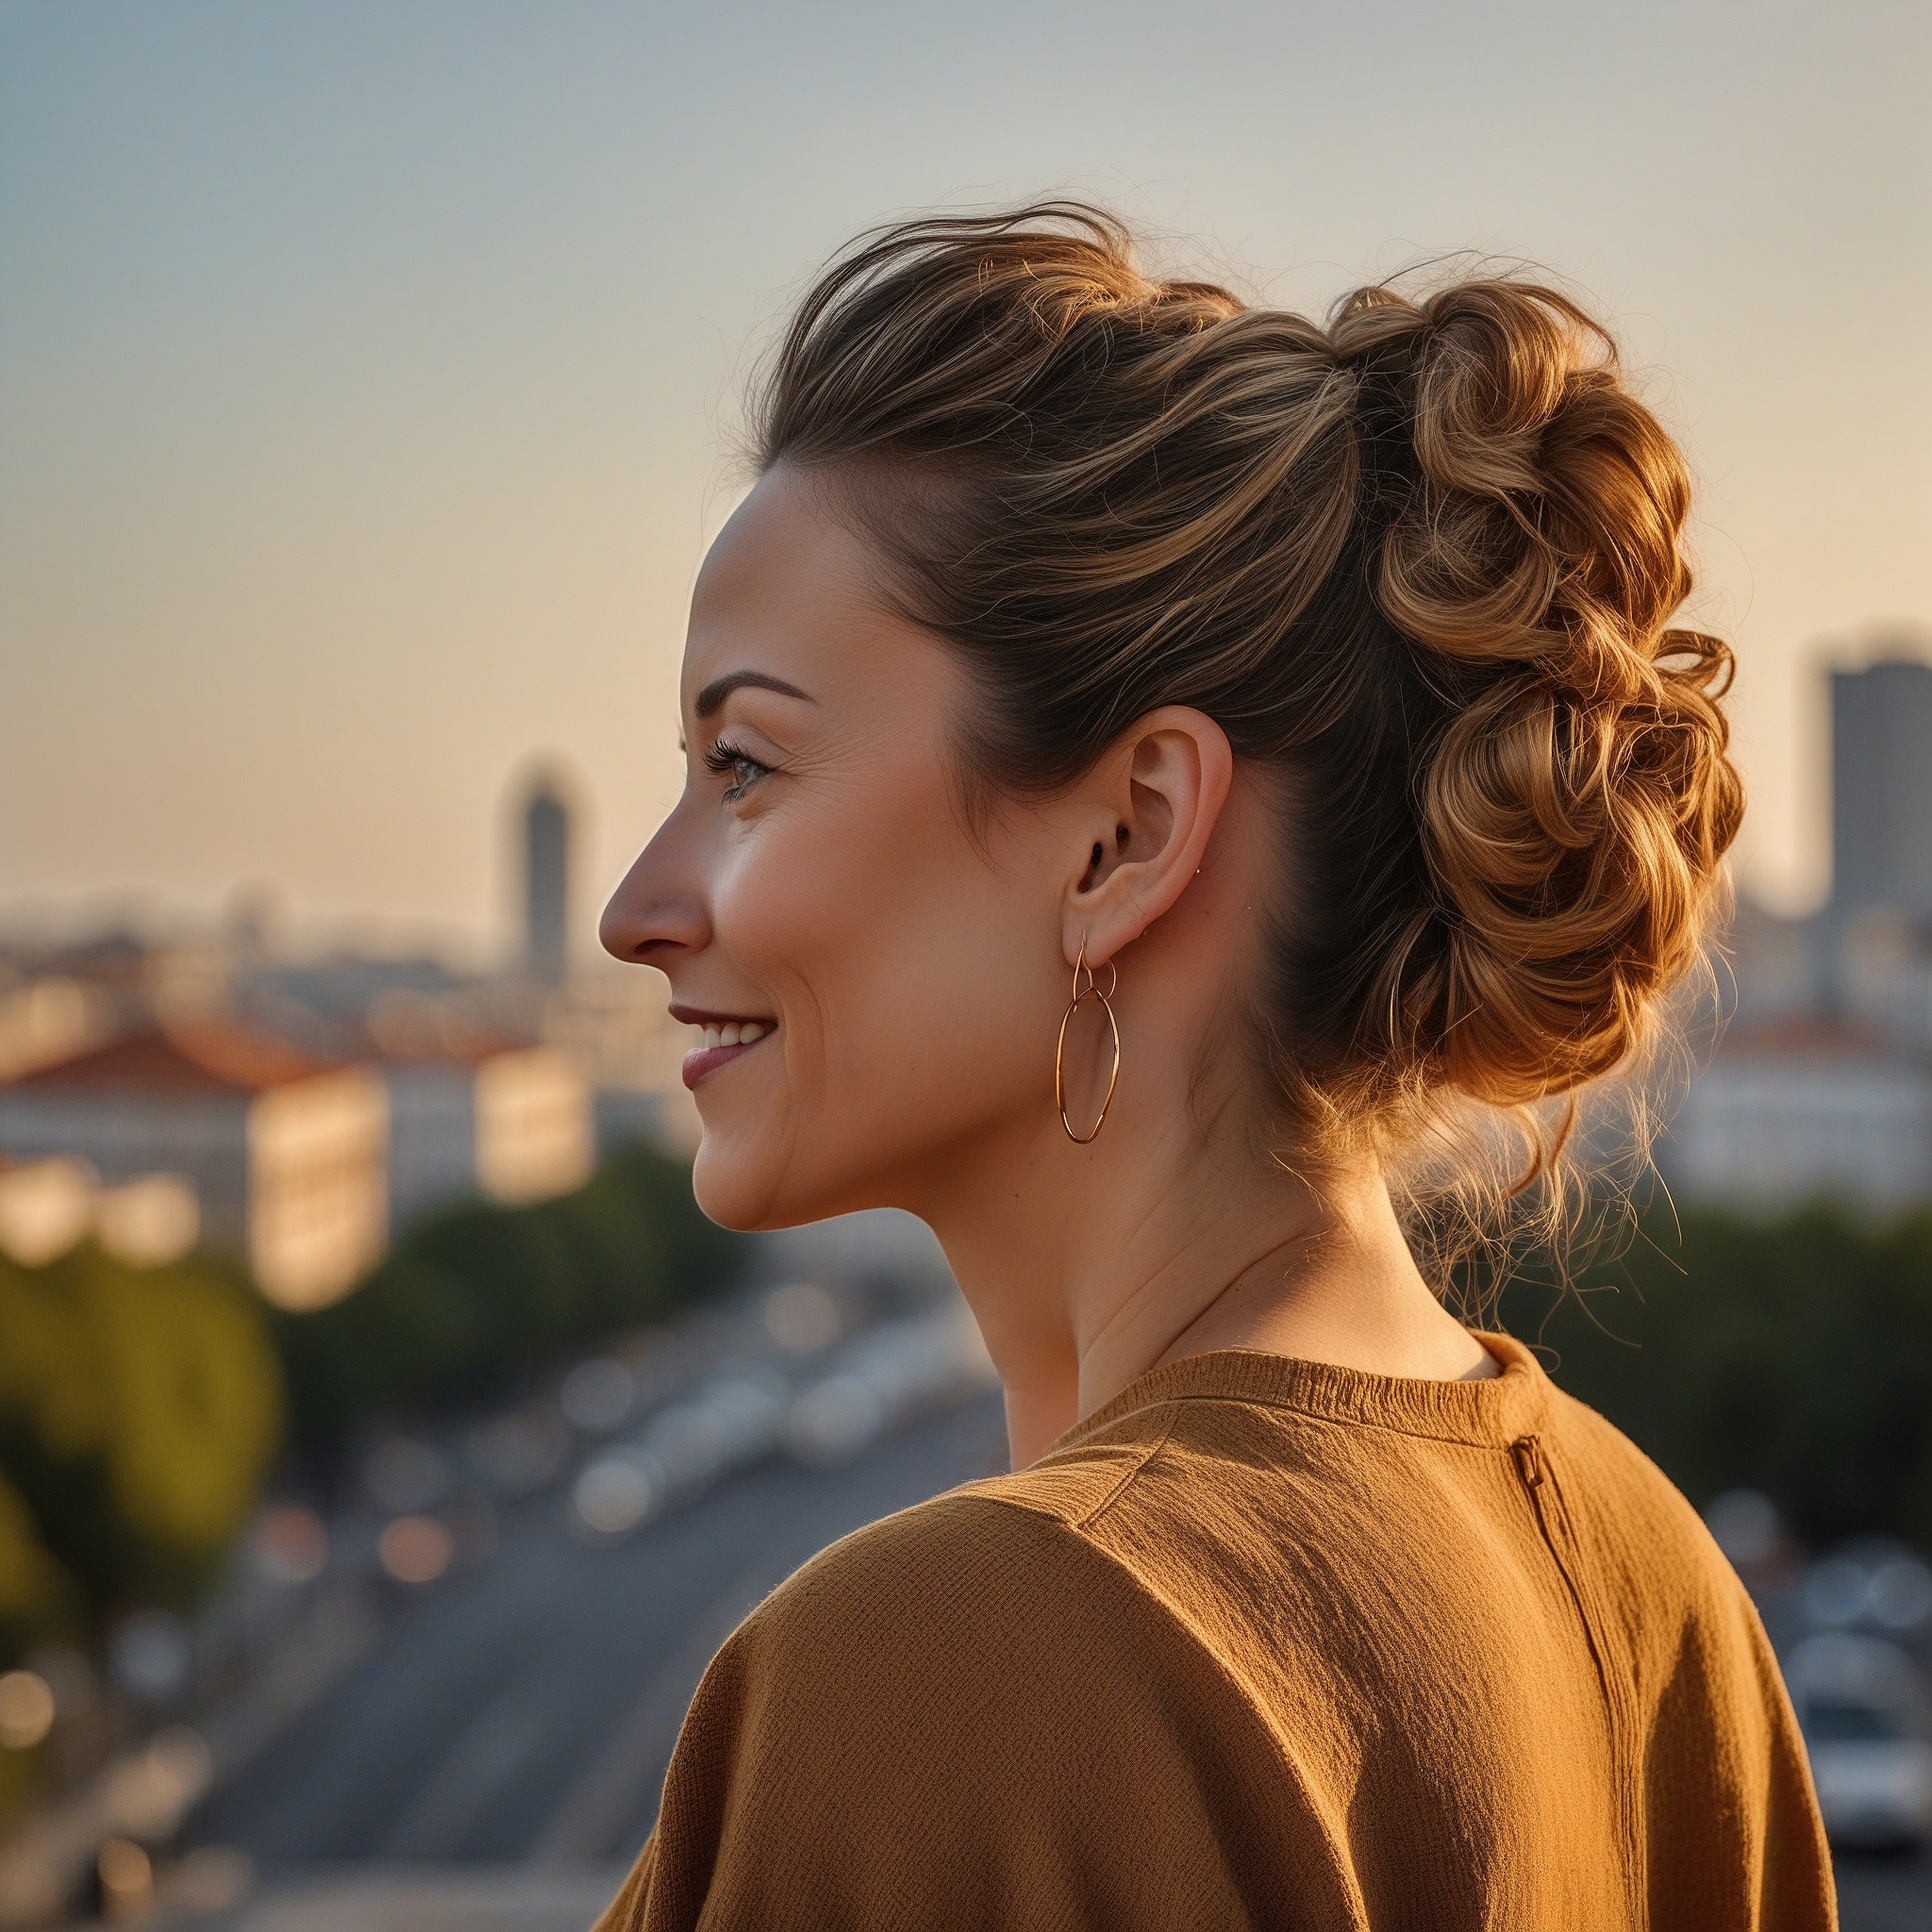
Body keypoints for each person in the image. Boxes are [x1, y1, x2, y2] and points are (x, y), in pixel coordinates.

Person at [594, 205, 1832, 1930]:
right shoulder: (1658, 1585)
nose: (636, 910)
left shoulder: (950, 1673)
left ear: (1127, 835)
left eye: (743, 764)